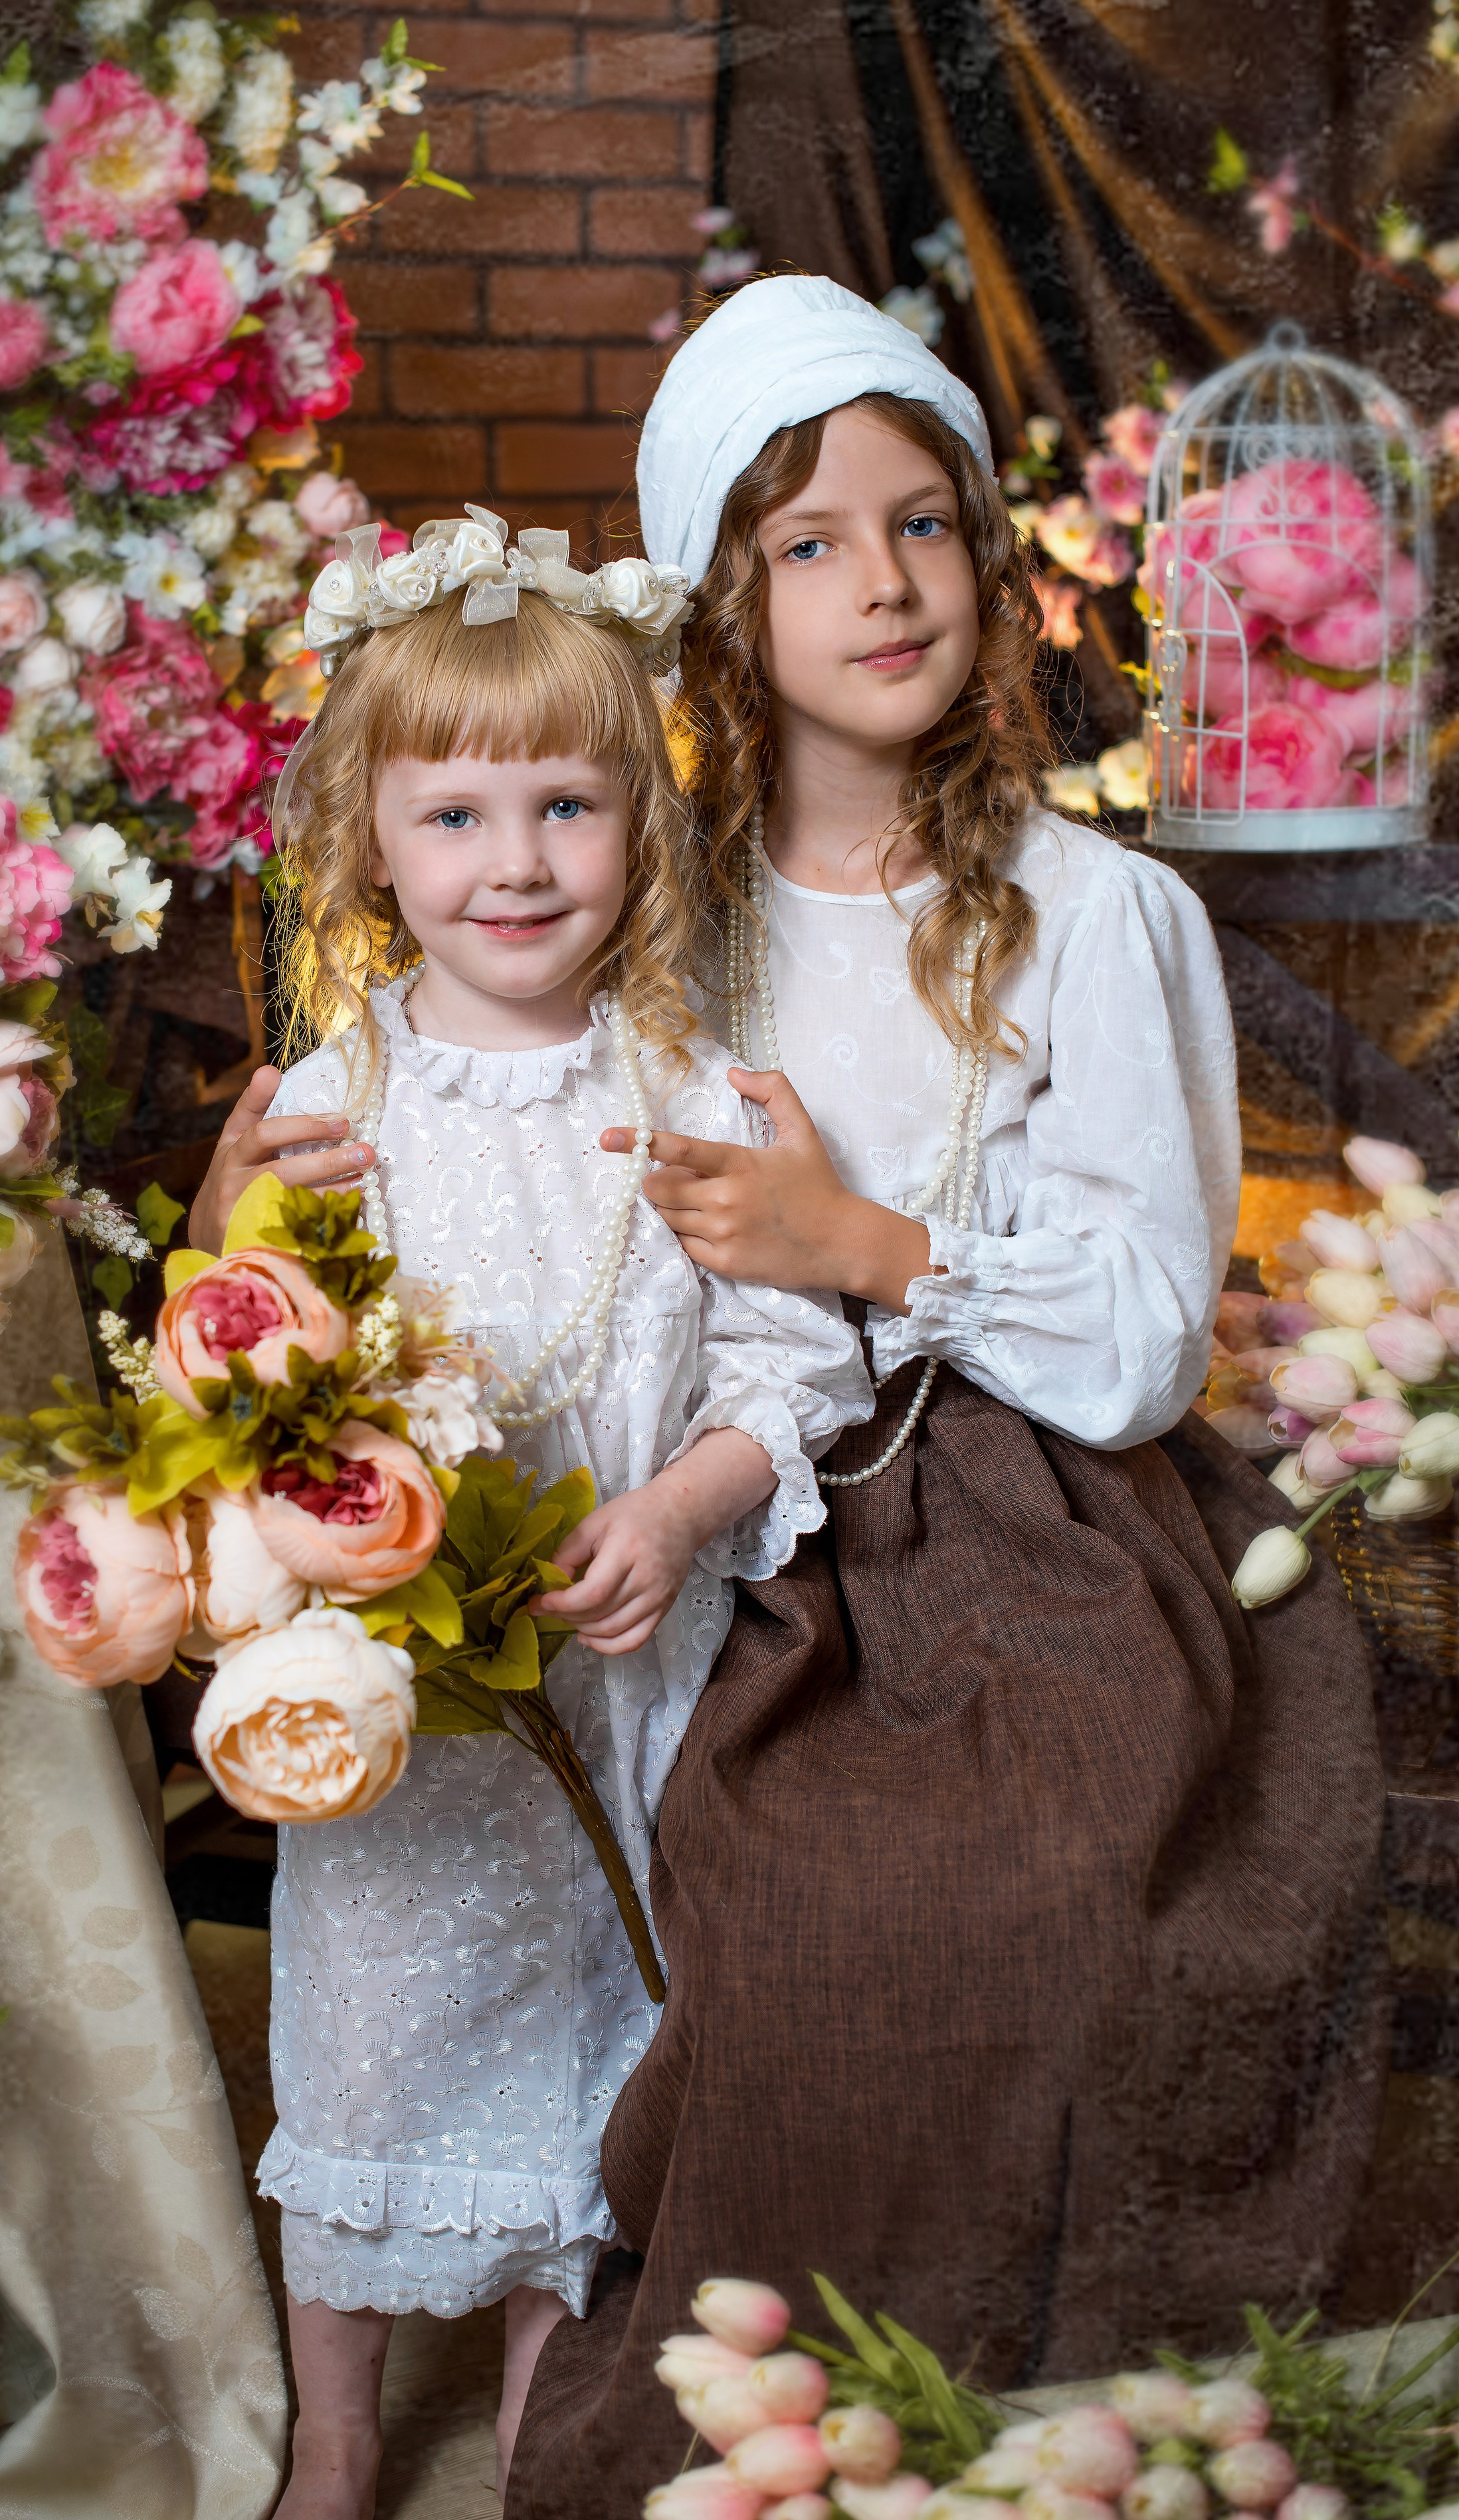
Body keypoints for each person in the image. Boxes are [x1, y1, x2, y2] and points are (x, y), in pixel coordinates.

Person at [507, 276, 1388, 2519]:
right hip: (741, 1495)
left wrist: (871, 1242)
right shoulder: (658, 920)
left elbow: (1143, 1336)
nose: (884, 582)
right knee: (788, 1916)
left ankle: (1002, 2393)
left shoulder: (1090, 915)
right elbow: (481, 1118)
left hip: (1046, 1534)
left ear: (988, 562)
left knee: (1036, 1892)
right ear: (725, 592)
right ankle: (785, 2362)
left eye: (926, 524)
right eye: (810, 541)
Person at [192, 518, 874, 2520]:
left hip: (610, 1687)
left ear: (640, 825)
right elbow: (249, 1364)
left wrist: (678, 1507)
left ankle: (529, 2432)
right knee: (370, 2040)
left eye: (568, 804)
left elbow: (794, 1368)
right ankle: (333, 2433)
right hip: (401, 1703)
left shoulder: (695, 1102)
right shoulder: (333, 1102)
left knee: (591, 2068)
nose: (516, 861)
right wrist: (237, 1246)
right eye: (459, 812)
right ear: (372, 841)